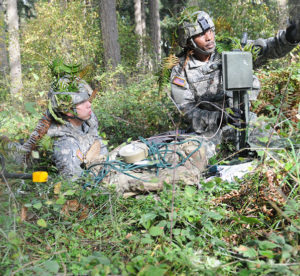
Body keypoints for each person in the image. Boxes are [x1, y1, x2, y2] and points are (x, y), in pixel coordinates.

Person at [171, 11, 299, 157]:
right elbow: (186, 111)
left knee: (282, 152)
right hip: (208, 131)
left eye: (210, 31)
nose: (209, 37)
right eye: (201, 35)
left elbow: (268, 48)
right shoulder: (180, 69)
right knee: (193, 158)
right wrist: (220, 118)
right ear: (188, 41)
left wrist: (290, 37)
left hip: (245, 122)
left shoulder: (231, 49)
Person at [46, 75, 108, 178]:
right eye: (82, 102)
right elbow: (76, 184)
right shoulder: (64, 143)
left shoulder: (87, 119)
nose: (89, 104)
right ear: (68, 110)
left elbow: (100, 146)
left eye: (88, 99)